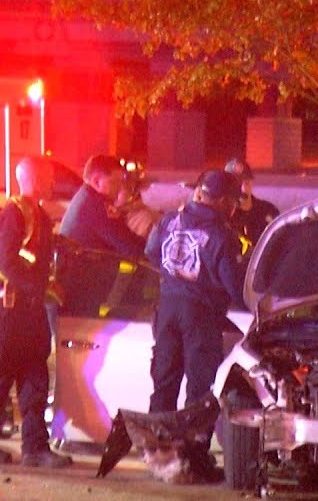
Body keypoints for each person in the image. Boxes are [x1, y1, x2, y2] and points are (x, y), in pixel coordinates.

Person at [0, 156, 72, 468]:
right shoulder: (14, 213)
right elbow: (6, 262)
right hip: (10, 312)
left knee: (35, 382)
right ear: (35, 179)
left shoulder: (38, 215)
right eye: (49, 177)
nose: (53, 183)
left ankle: (35, 448)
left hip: (29, 312)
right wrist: (37, 288)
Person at [144, 169, 246, 478]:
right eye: (233, 202)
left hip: (167, 309)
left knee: (164, 383)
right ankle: (193, 463)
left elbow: (150, 253)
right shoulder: (222, 234)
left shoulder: (167, 221)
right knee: (200, 390)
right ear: (225, 202)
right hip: (200, 314)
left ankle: (159, 458)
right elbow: (234, 285)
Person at [55, 154, 145, 317]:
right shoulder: (96, 206)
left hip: (80, 287)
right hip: (82, 291)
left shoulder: (87, 199)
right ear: (97, 181)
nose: (119, 188)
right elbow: (127, 244)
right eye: (115, 182)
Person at [223, 157, 279, 249]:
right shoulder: (223, 217)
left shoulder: (268, 211)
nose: (243, 189)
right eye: (238, 184)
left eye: (247, 183)